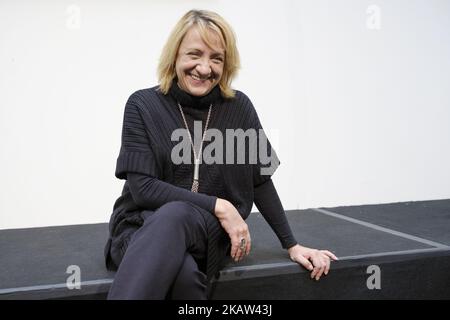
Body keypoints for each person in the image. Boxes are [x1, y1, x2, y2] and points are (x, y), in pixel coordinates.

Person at [104, 9, 338, 300]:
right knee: (184, 276)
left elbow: (260, 181)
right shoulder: (142, 105)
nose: (204, 68)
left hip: (208, 234)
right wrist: (220, 206)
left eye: (216, 58)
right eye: (194, 54)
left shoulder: (239, 108)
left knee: (178, 217)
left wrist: (292, 244)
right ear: (174, 55)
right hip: (143, 228)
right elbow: (143, 189)